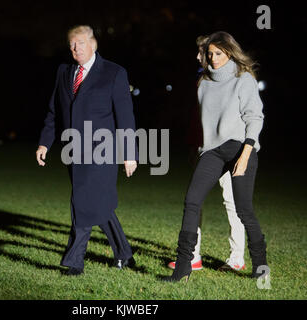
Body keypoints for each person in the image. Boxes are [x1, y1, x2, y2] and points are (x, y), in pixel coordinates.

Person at [163, 31, 269, 282]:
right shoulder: (204, 82)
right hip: (213, 150)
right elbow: (206, 123)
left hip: (241, 147)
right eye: (209, 53)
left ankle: (261, 266)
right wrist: (200, 150)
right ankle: (184, 267)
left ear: (229, 52)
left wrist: (245, 155)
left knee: (243, 209)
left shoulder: (244, 79)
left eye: (218, 53)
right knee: (191, 201)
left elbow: (255, 118)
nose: (213, 57)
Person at [36, 25, 138, 276]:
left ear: (93, 44)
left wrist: (129, 153)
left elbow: (125, 116)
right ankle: (124, 254)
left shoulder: (114, 73)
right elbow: (54, 112)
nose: (75, 48)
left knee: (81, 201)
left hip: (102, 150)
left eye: (80, 43)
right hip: (73, 151)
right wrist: (44, 142)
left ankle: (74, 261)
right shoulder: (63, 72)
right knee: (98, 204)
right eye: (71, 44)